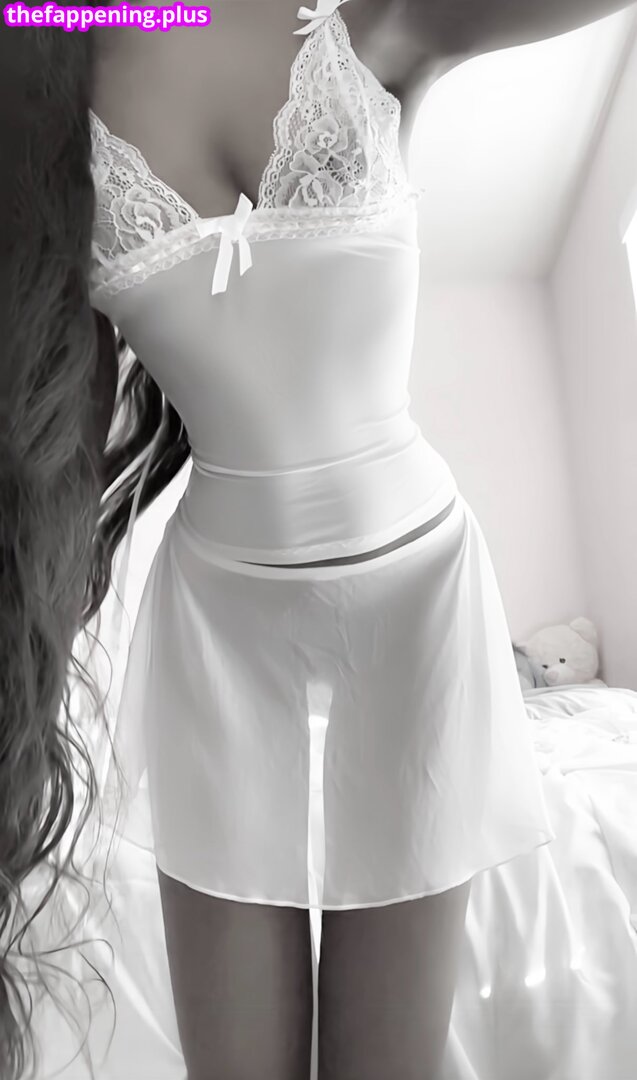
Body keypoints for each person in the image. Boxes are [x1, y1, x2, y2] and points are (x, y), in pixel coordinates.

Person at [1, 1, 632, 1078]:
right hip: (219, 625)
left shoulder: (361, 19)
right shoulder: (44, 91)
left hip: (416, 595)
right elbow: (56, 430)